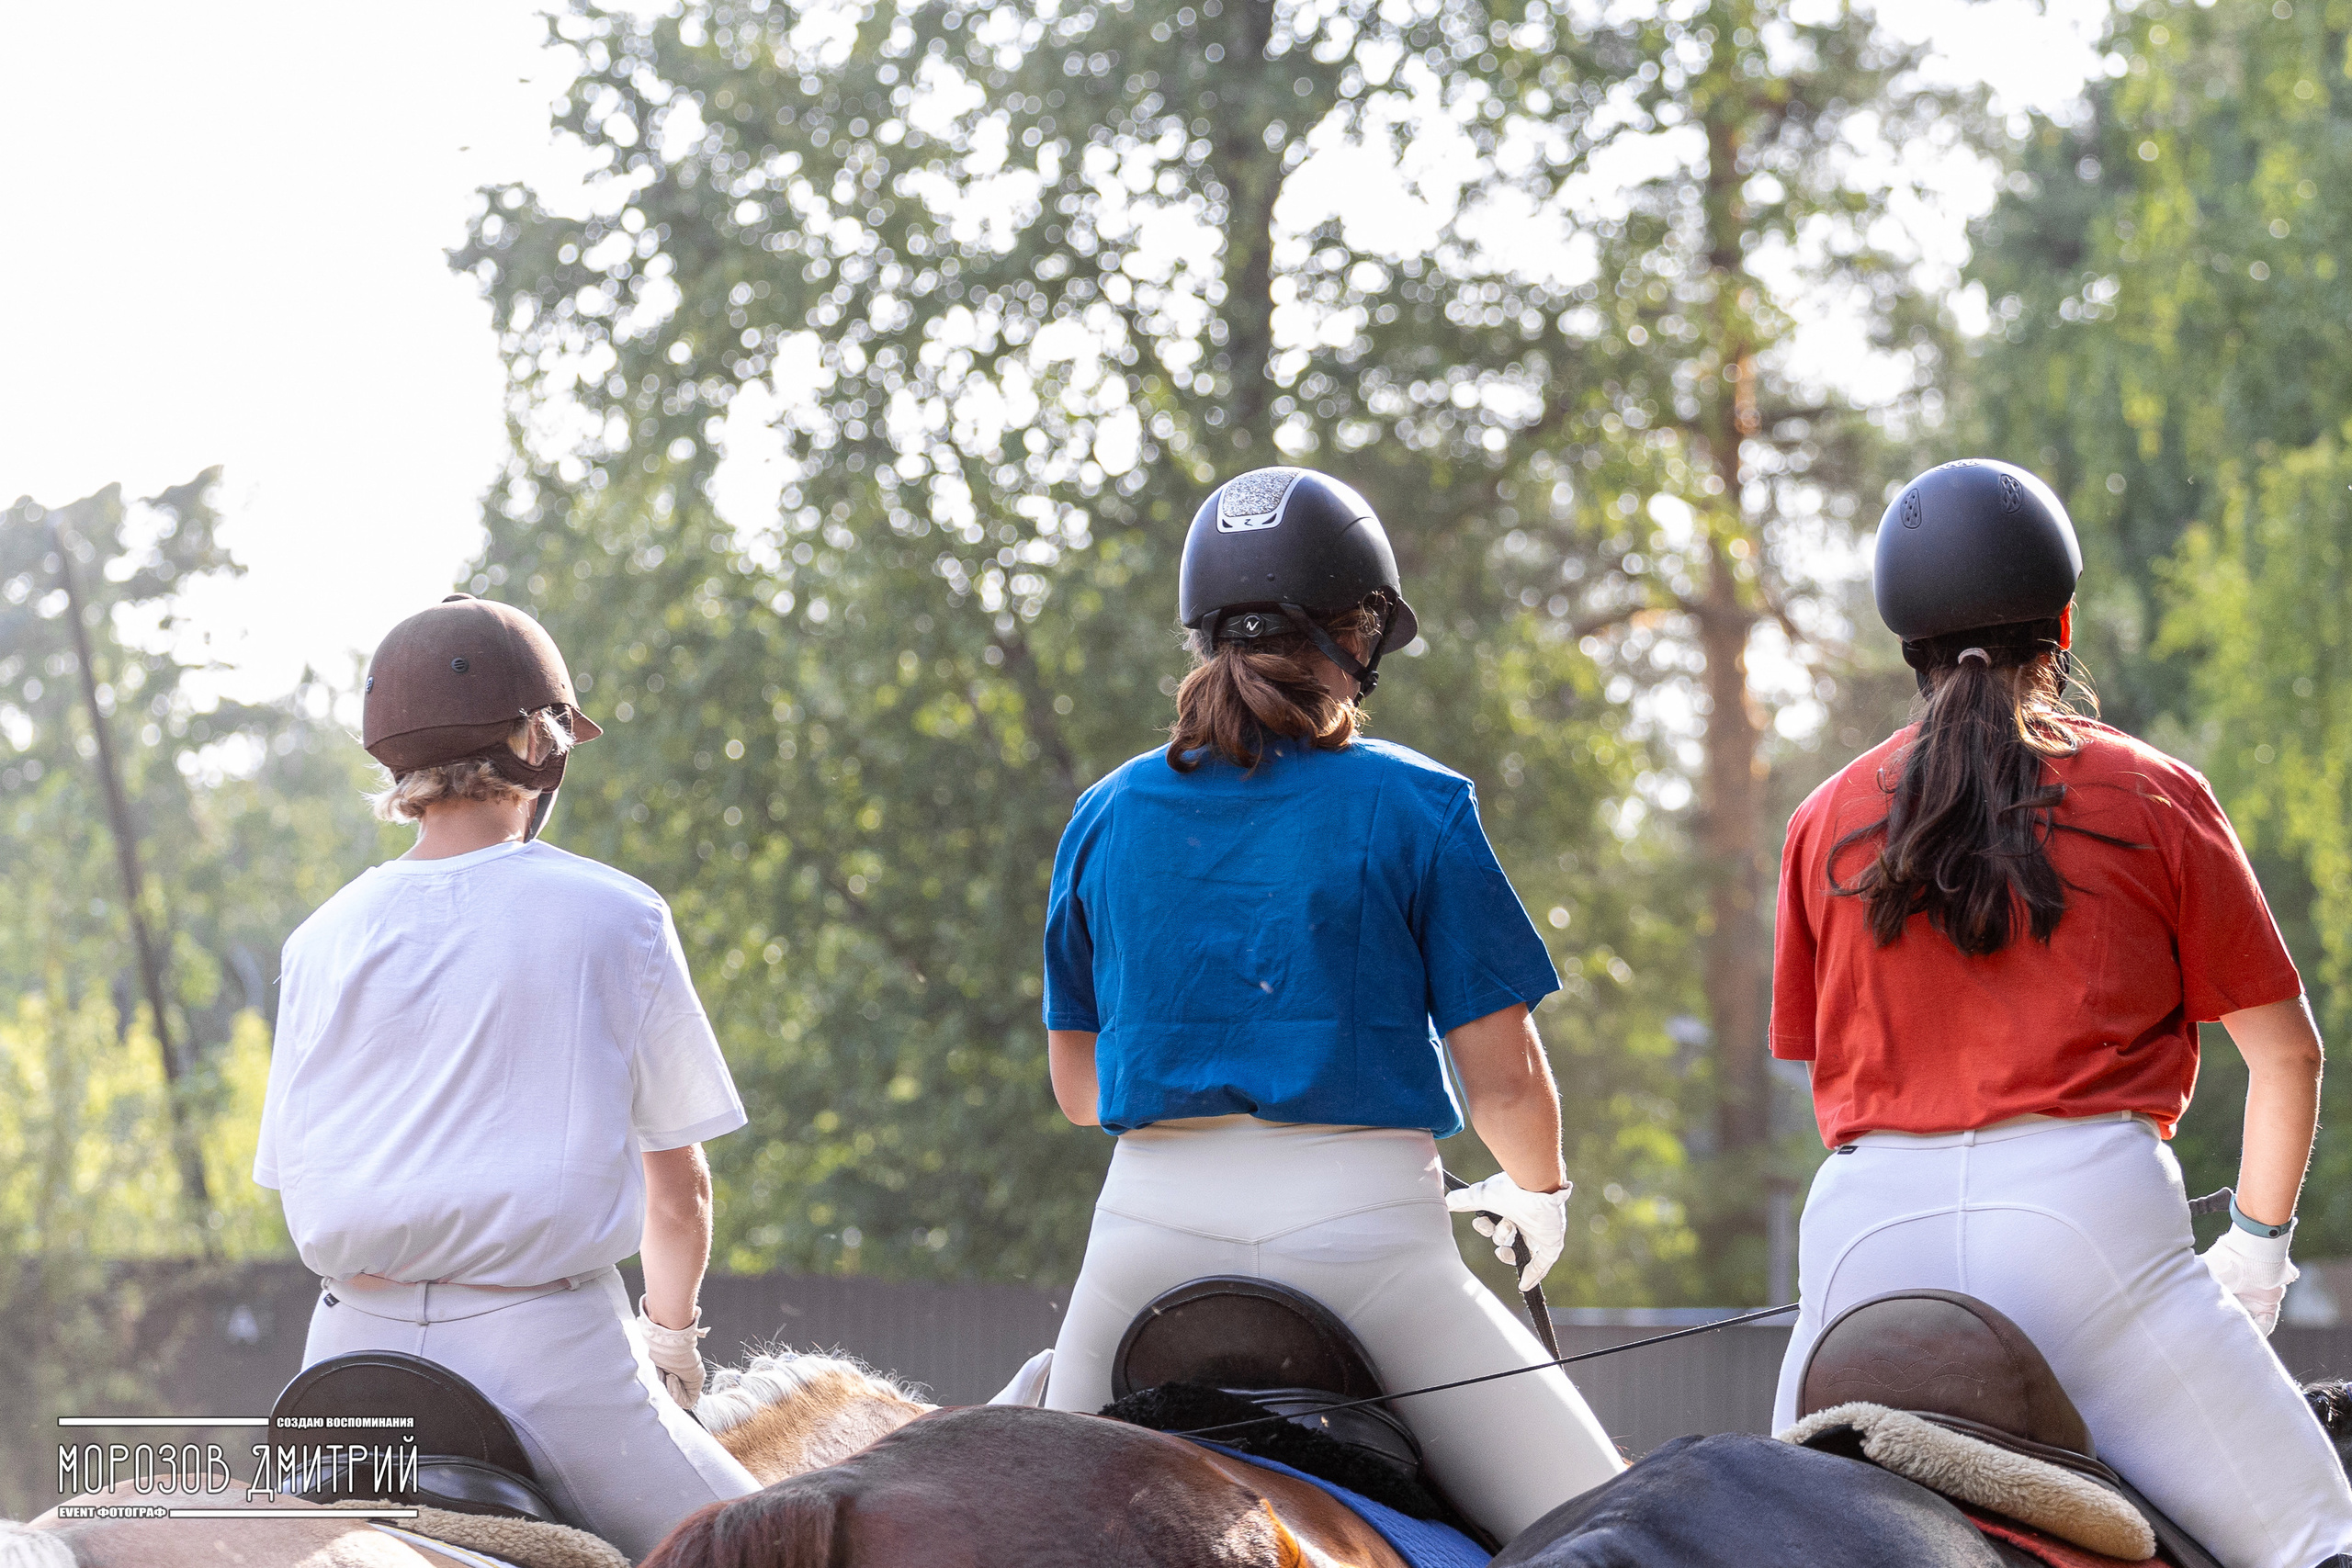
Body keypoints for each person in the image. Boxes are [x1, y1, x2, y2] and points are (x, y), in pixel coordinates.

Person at [1769, 460, 2352, 1568]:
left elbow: (1821, 1070)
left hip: (1859, 1250)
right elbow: (2288, 1059)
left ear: (1908, 647)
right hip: (2086, 1234)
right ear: (2062, 627)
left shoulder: (1818, 821)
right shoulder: (2154, 792)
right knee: (2319, 1537)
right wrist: (2255, 1252)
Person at [1037, 467, 1624, 1541]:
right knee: (1609, 1533)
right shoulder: (1420, 802)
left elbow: (1078, 1095)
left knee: (1013, 1526)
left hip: (1141, 1247)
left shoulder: (1103, 813)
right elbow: (1503, 1086)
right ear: (1356, 636)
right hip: (1366, 1249)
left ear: (1201, 633)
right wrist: (1538, 1192)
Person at [254, 593, 759, 1560]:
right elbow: (679, 1194)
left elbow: (291, 1172)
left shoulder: (317, 940)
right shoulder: (619, 916)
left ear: (393, 760)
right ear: (540, 747)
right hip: (548, 1358)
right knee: (786, 1549)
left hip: (345, 1363)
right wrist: (672, 1340)